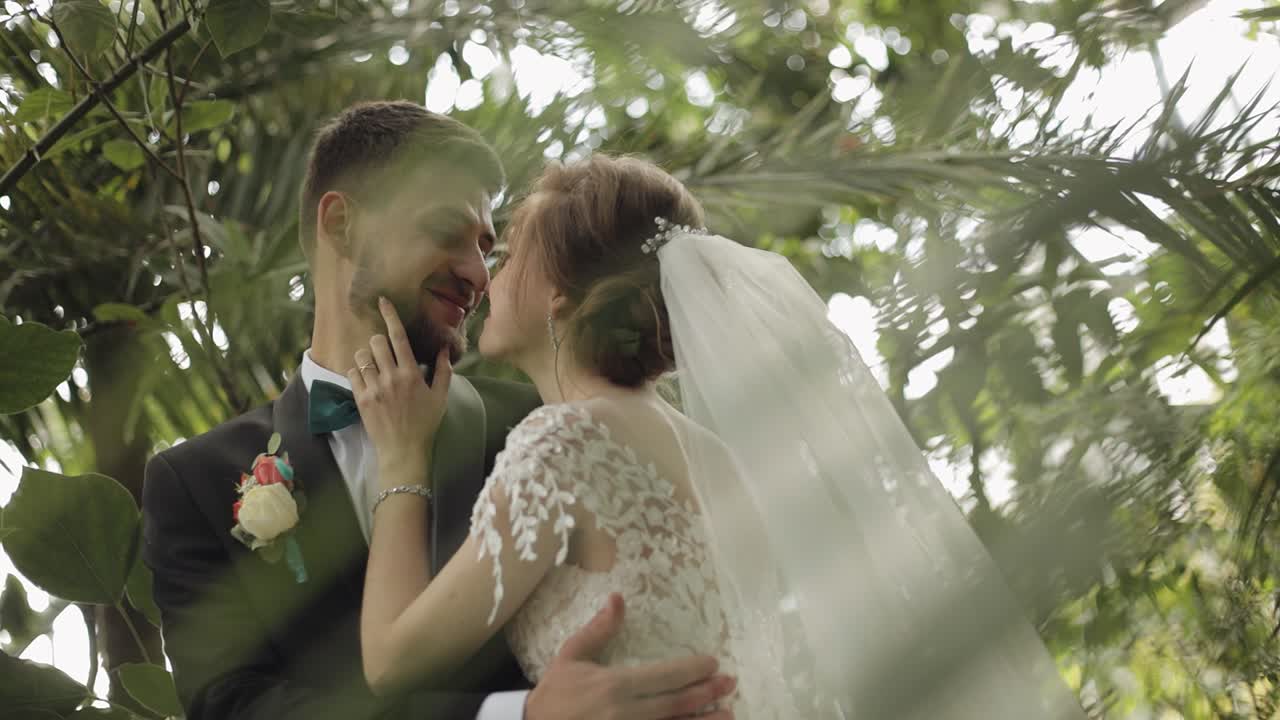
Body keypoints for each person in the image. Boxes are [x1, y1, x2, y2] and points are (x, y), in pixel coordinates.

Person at [353, 154, 1092, 719]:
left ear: (560, 293)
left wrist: (401, 455)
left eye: (512, 251)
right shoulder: (726, 462)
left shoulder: (562, 444)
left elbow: (389, 661)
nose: (491, 275)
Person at [141, 101, 737, 720]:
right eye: (447, 232)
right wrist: (516, 715)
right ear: (340, 224)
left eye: (489, 246)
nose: (478, 273)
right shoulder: (196, 483)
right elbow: (234, 709)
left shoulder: (549, 424)